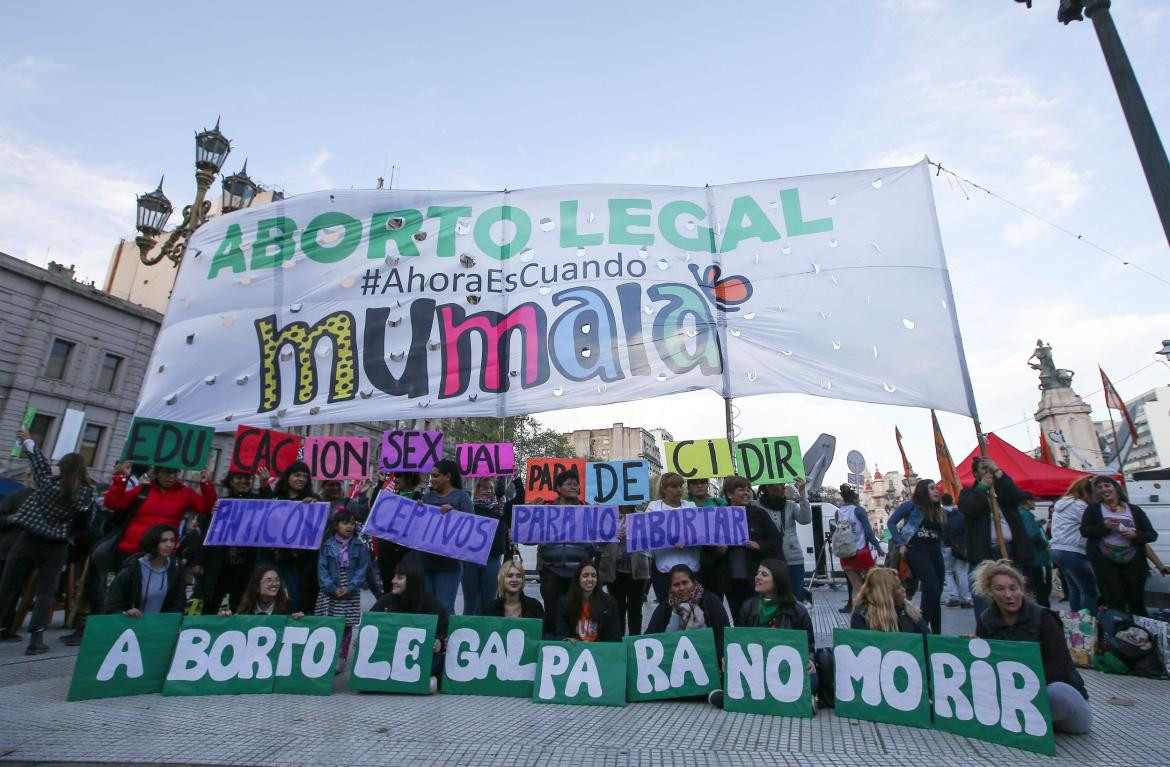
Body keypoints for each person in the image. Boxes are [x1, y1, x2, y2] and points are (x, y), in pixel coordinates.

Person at [0, 431, 97, 655]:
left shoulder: (46, 483)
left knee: (7, 586)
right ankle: (36, 639)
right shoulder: (84, 494)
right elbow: (88, 521)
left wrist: (28, 439)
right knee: (46, 592)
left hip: (28, 538)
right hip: (56, 545)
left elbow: (38, 460)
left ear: (60, 468)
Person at [974, 560, 1092, 734]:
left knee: (1059, 694)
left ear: (1022, 589)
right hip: (1013, 699)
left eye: (1013, 588)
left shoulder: (1043, 617)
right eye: (1000, 589)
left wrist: (1025, 687)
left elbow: (1060, 665)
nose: (1008, 595)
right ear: (990, 593)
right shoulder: (986, 620)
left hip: (1048, 694)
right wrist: (972, 648)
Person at [710, 559, 817, 709]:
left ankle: (734, 697)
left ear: (778, 580)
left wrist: (810, 660)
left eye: (764, 574)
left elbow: (809, 645)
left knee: (812, 681)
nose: (757, 577)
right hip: (757, 668)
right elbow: (740, 643)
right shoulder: (748, 607)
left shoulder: (798, 610)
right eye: (757, 573)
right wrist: (729, 658)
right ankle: (797, 700)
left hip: (785, 669)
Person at [104, 462, 217, 573]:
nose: (172, 477)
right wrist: (121, 479)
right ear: (157, 473)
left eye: (175, 473)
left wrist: (205, 483)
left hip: (161, 554)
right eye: (167, 472)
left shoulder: (186, 493)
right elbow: (113, 503)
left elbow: (209, 507)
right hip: (131, 549)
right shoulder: (142, 489)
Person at [959, 457, 1029, 617]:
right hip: (984, 553)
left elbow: (1017, 496)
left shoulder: (1003, 489)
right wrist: (983, 487)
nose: (988, 472)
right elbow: (967, 508)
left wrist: (999, 472)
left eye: (990, 468)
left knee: (1013, 595)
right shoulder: (970, 493)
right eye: (984, 469)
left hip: (1009, 550)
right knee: (983, 599)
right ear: (976, 474)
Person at [1080, 476, 1157, 616]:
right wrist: (1104, 526)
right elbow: (1085, 531)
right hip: (1105, 558)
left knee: (1136, 597)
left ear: (1115, 487)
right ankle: (1118, 630)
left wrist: (1136, 534)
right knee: (1114, 597)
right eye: (1099, 487)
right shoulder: (1093, 509)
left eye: (1107, 485)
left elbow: (1151, 534)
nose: (1104, 489)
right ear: (1096, 492)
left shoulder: (1134, 510)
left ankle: (1141, 631)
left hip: (1133, 558)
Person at [536, 470, 598, 637]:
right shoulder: (545, 511)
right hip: (551, 569)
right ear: (558, 487)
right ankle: (550, 645)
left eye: (576, 483)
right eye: (569, 483)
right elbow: (530, 538)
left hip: (577, 571)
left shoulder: (588, 511)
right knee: (551, 610)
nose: (574, 486)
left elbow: (598, 544)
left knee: (577, 611)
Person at [371, 563, 447, 691]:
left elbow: (444, 632)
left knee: (438, 661)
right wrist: (361, 641)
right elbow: (369, 625)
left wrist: (438, 643)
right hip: (390, 657)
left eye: (399, 578)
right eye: (394, 577)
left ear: (412, 581)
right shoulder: (386, 601)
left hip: (417, 659)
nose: (393, 581)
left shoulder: (431, 604)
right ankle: (420, 682)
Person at [258, 461, 319, 612]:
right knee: (263, 597)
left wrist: (311, 511)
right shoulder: (276, 499)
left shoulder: (312, 500)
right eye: (297, 475)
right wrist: (264, 483)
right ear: (288, 477)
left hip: (295, 562)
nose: (301, 479)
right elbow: (263, 514)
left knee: (295, 599)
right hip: (271, 557)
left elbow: (314, 531)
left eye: (305, 476)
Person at [887, 479, 947, 634]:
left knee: (935, 593)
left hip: (935, 551)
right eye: (932, 488)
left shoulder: (938, 510)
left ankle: (936, 634)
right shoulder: (911, 506)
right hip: (916, 550)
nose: (936, 491)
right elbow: (891, 523)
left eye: (936, 488)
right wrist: (901, 543)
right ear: (923, 491)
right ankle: (921, 627)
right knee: (932, 587)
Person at [719, 476, 783, 619]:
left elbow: (775, 539)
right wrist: (718, 549)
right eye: (741, 490)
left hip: (754, 578)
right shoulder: (719, 515)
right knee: (737, 616)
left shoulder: (759, 514)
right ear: (729, 494)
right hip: (730, 580)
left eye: (748, 490)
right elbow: (709, 544)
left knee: (756, 616)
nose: (747, 493)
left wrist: (759, 545)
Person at [316, 508, 370, 673]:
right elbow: (322, 570)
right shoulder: (328, 545)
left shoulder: (359, 546)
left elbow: (362, 570)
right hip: (331, 591)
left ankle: (341, 658)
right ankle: (326, 655)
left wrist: (350, 587)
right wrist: (332, 588)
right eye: (345, 523)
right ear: (335, 525)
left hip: (350, 591)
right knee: (329, 623)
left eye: (352, 523)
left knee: (347, 626)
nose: (349, 527)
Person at [197, 470, 257, 615]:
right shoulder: (221, 503)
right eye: (239, 478)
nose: (243, 481)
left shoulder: (258, 502)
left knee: (241, 607)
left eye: (247, 478)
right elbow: (206, 533)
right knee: (211, 605)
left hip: (245, 566)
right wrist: (199, 561)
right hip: (220, 564)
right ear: (231, 481)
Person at [645, 564, 730, 661]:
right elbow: (649, 637)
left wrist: (717, 659)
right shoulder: (665, 607)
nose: (681, 588)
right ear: (670, 587)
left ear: (693, 582)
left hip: (708, 660)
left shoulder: (710, 601)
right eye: (676, 585)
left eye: (685, 583)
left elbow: (724, 634)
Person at [105, 524, 186, 616]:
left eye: (172, 541)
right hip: (132, 624)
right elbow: (113, 605)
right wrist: (126, 613)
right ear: (153, 542)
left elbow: (179, 603)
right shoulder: (131, 569)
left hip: (161, 626)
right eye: (164, 541)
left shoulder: (176, 568)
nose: (169, 545)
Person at [647, 473, 700, 604]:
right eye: (674, 486)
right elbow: (646, 535)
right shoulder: (653, 508)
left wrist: (687, 540)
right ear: (664, 489)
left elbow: (700, 534)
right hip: (663, 569)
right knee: (666, 608)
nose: (679, 490)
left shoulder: (691, 506)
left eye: (681, 486)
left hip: (691, 566)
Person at [756, 481, 813, 604]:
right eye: (779, 484)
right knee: (770, 599)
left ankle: (794, 622)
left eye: (784, 484)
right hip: (768, 561)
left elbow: (805, 519)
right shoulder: (756, 506)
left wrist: (802, 493)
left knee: (794, 599)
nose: (784, 487)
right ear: (768, 486)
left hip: (793, 559)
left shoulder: (790, 505)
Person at [599, 504, 650, 635]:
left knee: (636, 610)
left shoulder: (642, 517)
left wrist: (636, 535)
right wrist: (612, 536)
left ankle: (635, 640)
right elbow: (596, 542)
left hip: (637, 571)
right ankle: (618, 640)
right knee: (617, 609)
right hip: (614, 572)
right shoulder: (607, 518)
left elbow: (651, 541)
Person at [1050, 477, 1099, 613]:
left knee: (1074, 588)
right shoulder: (1080, 506)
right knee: (1089, 590)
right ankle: (1088, 625)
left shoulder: (1062, 504)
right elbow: (1092, 525)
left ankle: (1075, 623)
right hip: (1073, 550)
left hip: (1058, 549)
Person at [461, 477, 506, 616]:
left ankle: (486, 634)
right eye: (485, 488)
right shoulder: (469, 508)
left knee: (489, 602)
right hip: (470, 561)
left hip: (492, 559)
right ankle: (466, 632)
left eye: (492, 488)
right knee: (470, 603)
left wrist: (516, 478)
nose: (489, 491)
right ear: (477, 490)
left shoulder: (500, 508)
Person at [835, 485, 882, 612]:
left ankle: (856, 614)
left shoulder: (838, 512)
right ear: (855, 499)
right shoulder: (859, 510)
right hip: (861, 552)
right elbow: (868, 532)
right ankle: (875, 611)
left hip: (846, 554)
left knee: (856, 586)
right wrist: (878, 547)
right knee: (873, 583)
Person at [0, 470, 34, 641]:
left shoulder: (46, 499)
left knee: (13, 591)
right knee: (7, 589)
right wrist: (13, 519)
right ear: (28, 477)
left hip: (24, 551)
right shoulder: (16, 496)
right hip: (6, 549)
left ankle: (6, 626)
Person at [555, 561, 621, 642]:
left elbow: (615, 636)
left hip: (600, 650)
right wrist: (566, 640)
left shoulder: (609, 603)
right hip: (573, 650)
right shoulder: (565, 602)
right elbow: (560, 634)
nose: (590, 579)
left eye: (593, 576)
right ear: (578, 578)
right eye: (585, 576)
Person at [850, 567, 928, 633]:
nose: (903, 589)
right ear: (886, 594)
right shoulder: (862, 615)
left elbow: (928, 638)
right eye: (898, 587)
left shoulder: (909, 610)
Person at [1017, 491, 1053, 607]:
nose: (1035, 503)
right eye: (1033, 500)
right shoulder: (1025, 514)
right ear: (1028, 501)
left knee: (1034, 588)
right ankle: (1045, 613)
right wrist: (1044, 546)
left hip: (1030, 556)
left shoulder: (1020, 513)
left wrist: (1037, 523)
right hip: (1037, 557)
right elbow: (1031, 534)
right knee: (1041, 589)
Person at [940, 492, 973, 608]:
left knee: (948, 572)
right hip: (960, 547)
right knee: (962, 572)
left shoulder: (940, 515)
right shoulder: (960, 515)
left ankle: (954, 596)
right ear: (952, 501)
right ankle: (965, 598)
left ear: (942, 502)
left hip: (946, 547)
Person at [231, 567, 304, 617]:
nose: (275, 584)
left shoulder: (287, 608)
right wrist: (225, 618)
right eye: (269, 580)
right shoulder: (246, 608)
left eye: (277, 580)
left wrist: (299, 621)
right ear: (256, 585)